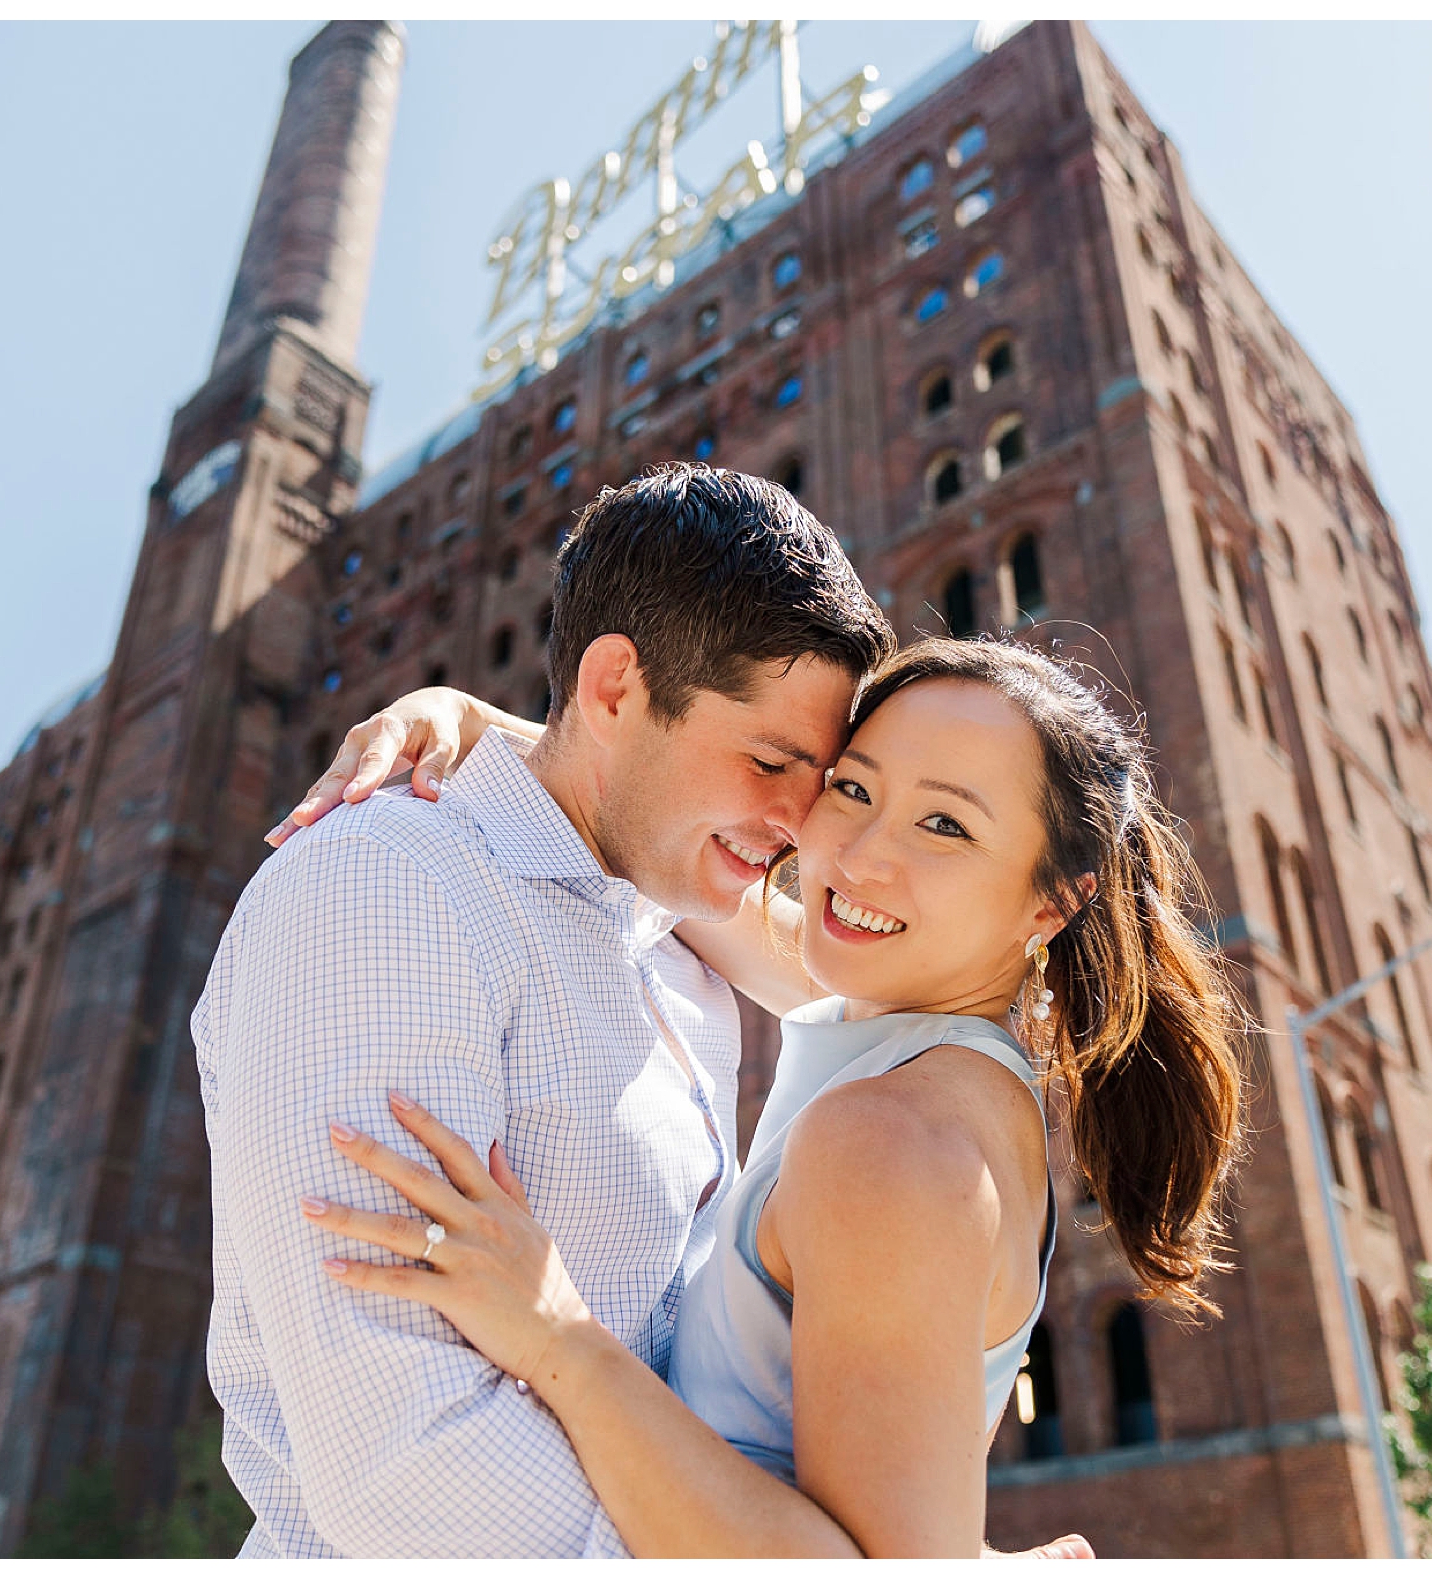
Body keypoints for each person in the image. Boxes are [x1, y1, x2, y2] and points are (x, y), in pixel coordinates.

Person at [275, 637, 1248, 1557]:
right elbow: (690, 855)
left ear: (1052, 900)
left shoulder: (890, 1136)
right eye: (853, 788)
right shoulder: (913, 1030)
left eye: (944, 823)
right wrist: (477, 720)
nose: (858, 855)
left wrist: (556, 1332)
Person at [193, 464, 893, 1557]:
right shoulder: (383, 886)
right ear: (615, 688)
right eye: (770, 761)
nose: (799, 826)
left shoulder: (682, 944)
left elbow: (878, 988)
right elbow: (399, 1452)